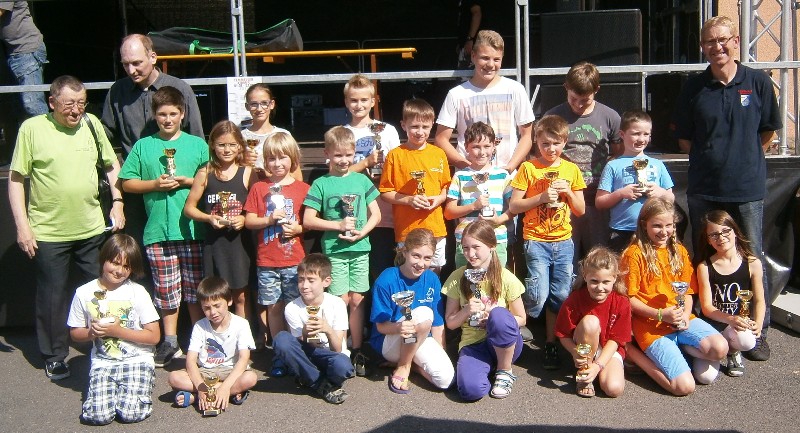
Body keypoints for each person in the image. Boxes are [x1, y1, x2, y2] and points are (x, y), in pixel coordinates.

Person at [672, 16, 781, 361]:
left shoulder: (758, 82)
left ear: (735, 41)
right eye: (709, 41)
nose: (717, 47)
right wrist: (714, 160)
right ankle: (708, 326)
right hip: (704, 189)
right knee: (704, 258)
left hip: (746, 189)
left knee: (752, 257)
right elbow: (685, 139)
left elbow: (768, 132)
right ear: (702, 47)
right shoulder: (693, 87)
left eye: (723, 40)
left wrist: (742, 159)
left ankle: (758, 331)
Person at [8, 75, 125, 380]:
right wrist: (22, 227)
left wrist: (118, 202)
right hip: (48, 231)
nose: (76, 110)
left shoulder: (91, 123)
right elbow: (16, 179)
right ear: (52, 102)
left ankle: (105, 343)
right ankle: (54, 355)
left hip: (91, 227)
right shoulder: (32, 129)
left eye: (81, 103)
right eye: (69, 104)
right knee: (52, 296)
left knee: (101, 290)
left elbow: (111, 165)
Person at [119, 86, 209, 368]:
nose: (167, 119)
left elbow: (212, 179)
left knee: (194, 289)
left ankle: (199, 339)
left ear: (182, 114)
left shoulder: (198, 145)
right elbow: (126, 183)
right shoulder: (143, 146)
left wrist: (187, 181)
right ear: (154, 116)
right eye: (162, 114)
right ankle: (170, 340)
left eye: (172, 114)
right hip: (158, 230)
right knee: (166, 290)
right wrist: (154, 184)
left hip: (192, 230)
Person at [101, 33, 204, 272]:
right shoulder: (117, 91)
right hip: (136, 187)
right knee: (138, 254)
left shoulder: (179, 88)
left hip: (178, 189)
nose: (131, 70)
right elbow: (107, 137)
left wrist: (192, 182)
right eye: (126, 64)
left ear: (153, 57)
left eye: (137, 63)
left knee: (183, 256)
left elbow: (196, 138)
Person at [622, 198, 728, 396]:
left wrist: (685, 315)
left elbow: (687, 291)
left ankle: (682, 348)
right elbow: (628, 299)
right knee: (683, 387)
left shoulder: (679, 250)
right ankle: (632, 352)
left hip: (679, 320)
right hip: (651, 327)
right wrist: (660, 314)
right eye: (657, 226)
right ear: (644, 225)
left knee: (720, 349)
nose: (664, 231)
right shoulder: (633, 254)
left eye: (669, 225)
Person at [509, 114, 586, 370]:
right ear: (536, 143)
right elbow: (514, 205)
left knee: (561, 294)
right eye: (545, 144)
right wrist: (541, 197)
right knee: (538, 295)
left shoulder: (571, 170)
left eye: (556, 143)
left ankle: (551, 343)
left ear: (565, 142)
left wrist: (568, 192)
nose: (551, 149)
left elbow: (580, 210)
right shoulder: (529, 168)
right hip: (536, 240)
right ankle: (516, 321)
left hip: (563, 241)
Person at [303, 126, 380, 376]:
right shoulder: (320, 184)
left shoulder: (361, 180)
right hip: (334, 250)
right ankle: (340, 347)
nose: (344, 160)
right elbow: (308, 220)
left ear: (354, 153)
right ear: (327, 154)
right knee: (340, 300)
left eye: (348, 155)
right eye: (338, 155)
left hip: (360, 248)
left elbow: (376, 214)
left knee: (357, 299)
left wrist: (362, 232)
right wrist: (338, 225)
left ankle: (357, 348)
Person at [67, 234, 160, 425]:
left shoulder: (137, 292)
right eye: (115, 263)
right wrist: (92, 333)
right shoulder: (84, 292)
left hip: (137, 359)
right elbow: (75, 333)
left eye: (126, 266)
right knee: (97, 416)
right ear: (104, 259)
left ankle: (139, 389)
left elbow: (154, 336)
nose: (119, 271)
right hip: (104, 362)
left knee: (130, 414)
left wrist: (117, 331)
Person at [244, 131, 309, 374]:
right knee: (273, 307)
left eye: (283, 157)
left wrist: (299, 228)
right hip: (268, 260)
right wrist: (269, 219)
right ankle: (280, 354)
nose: (277, 163)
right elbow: (249, 220)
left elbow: (310, 221)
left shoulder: (303, 188)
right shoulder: (259, 188)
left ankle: (296, 351)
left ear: (293, 159)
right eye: (271, 158)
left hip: (294, 259)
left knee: (294, 307)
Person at [544, 61, 622, 266]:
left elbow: (618, 154)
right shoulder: (553, 117)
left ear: (597, 90)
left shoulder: (610, 117)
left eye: (585, 100)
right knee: (565, 259)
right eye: (573, 99)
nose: (578, 105)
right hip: (563, 200)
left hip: (597, 198)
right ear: (566, 87)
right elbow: (542, 156)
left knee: (598, 257)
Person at [442, 220, 526, 401]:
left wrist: (493, 317)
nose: (470, 254)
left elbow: (521, 318)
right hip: (473, 344)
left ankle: (504, 370)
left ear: (492, 246)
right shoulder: (457, 277)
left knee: (499, 315)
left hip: (506, 344)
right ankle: (484, 369)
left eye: (476, 247)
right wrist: (466, 311)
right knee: (470, 391)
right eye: (465, 248)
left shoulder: (506, 277)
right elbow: (450, 323)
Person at [435, 29, 535, 174]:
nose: (490, 64)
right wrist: (467, 167)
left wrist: (510, 167)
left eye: (496, 59)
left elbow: (527, 135)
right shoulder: (456, 94)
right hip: (469, 178)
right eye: (485, 58)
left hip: (506, 177)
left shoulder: (515, 89)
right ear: (473, 56)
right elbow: (441, 139)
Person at [184, 120, 255, 320]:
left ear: (240, 146)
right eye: (222, 145)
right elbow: (189, 208)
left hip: (240, 243)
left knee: (240, 296)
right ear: (213, 145)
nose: (227, 149)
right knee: (215, 296)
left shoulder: (247, 172)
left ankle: (244, 335)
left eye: (232, 144)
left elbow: (257, 207)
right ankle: (218, 334)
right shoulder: (205, 172)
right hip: (214, 244)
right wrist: (208, 218)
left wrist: (244, 218)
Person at [370, 228, 455, 394]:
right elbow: (380, 327)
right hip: (391, 340)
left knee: (445, 380)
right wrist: (399, 328)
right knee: (423, 313)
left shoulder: (432, 279)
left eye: (427, 258)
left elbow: (437, 325)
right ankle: (403, 365)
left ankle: (411, 365)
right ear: (405, 252)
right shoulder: (387, 278)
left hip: (420, 337)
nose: (421, 264)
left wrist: (441, 352)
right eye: (416, 256)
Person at [379, 98, 451, 273]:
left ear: (432, 125)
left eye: (425, 127)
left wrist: (439, 199)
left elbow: (447, 187)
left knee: (433, 273)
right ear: (403, 125)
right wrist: (409, 200)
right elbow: (385, 192)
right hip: (407, 229)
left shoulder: (439, 154)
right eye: (414, 127)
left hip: (435, 228)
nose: (420, 132)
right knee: (408, 273)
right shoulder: (395, 155)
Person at [273, 254, 354, 404]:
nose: (304, 286)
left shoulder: (337, 304)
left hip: (331, 355)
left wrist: (328, 330)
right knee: (281, 339)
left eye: (311, 280)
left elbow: (337, 349)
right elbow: (297, 348)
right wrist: (305, 333)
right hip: (309, 354)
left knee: (343, 366)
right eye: (301, 280)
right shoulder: (292, 307)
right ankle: (322, 385)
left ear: (326, 281)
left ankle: (308, 377)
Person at [343, 74, 402, 277]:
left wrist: (383, 173)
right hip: (354, 213)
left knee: (383, 267)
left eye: (364, 100)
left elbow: (399, 166)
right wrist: (365, 163)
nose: (359, 105)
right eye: (353, 100)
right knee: (359, 273)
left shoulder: (387, 131)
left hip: (384, 212)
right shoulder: (340, 133)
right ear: (346, 102)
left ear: (373, 101)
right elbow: (335, 174)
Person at [168, 277, 258, 411]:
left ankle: (198, 397)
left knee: (250, 378)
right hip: (206, 371)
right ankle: (224, 394)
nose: (213, 312)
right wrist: (201, 387)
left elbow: (244, 358)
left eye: (217, 306)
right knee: (174, 378)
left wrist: (225, 386)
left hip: (230, 371)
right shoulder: (200, 326)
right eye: (207, 308)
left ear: (229, 301)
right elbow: (191, 360)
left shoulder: (241, 324)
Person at [696, 210, 765, 377]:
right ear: (708, 240)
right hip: (713, 324)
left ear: (735, 232)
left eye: (725, 231)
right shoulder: (704, 267)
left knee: (747, 340)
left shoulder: (752, 263)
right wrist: (729, 318)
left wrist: (758, 323)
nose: (721, 237)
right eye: (714, 234)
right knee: (705, 377)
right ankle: (710, 350)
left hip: (736, 326)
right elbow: (706, 308)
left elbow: (759, 300)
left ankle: (733, 351)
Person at [555, 246, 630, 398]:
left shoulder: (622, 302)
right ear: (585, 276)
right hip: (584, 347)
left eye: (606, 282)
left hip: (608, 349)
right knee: (591, 322)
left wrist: (598, 365)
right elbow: (563, 334)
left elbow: (617, 340)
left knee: (614, 389)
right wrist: (575, 352)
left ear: (615, 278)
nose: (600, 287)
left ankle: (594, 371)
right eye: (594, 281)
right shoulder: (574, 299)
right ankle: (584, 374)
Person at [596, 111, 674, 253]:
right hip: (622, 231)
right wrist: (621, 193)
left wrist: (660, 193)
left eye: (646, 134)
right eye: (636, 134)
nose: (641, 139)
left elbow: (671, 198)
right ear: (622, 134)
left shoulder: (657, 165)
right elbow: (600, 202)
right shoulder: (613, 165)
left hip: (654, 231)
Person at [444, 121, 513, 268]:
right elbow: (449, 212)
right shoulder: (460, 176)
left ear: (494, 146)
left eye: (487, 146)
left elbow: (514, 208)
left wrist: (498, 219)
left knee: (495, 281)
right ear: (466, 147)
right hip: (466, 243)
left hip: (496, 241)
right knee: (466, 281)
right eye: (476, 147)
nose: (482, 152)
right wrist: (474, 206)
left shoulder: (503, 176)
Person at [240, 83, 302, 180]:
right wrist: (241, 161)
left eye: (264, 103)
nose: (259, 109)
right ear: (247, 106)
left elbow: (296, 175)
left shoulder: (284, 135)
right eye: (254, 104)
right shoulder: (239, 137)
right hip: (249, 187)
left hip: (278, 187)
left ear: (272, 104)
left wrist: (268, 174)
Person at [0, 1, 48, 117]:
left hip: (26, 50)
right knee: (17, 107)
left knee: (33, 104)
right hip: (12, 52)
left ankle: (44, 128)